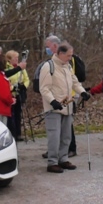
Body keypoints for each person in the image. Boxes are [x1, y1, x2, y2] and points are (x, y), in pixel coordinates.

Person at [39, 42, 89, 173]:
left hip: (68, 106)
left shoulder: (67, 66)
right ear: (60, 53)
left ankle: (63, 159)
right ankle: (52, 162)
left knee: (66, 136)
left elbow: (75, 82)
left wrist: (82, 92)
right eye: (68, 55)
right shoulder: (48, 66)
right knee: (54, 136)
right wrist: (52, 101)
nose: (70, 58)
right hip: (53, 107)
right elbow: (44, 88)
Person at [5, 50, 30, 139]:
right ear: (9, 59)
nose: (17, 59)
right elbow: (6, 79)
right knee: (11, 115)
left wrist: (24, 86)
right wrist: (12, 87)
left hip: (19, 93)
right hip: (10, 94)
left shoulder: (21, 67)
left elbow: (26, 79)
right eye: (15, 58)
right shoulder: (6, 68)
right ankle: (13, 134)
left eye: (17, 57)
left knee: (18, 113)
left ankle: (18, 133)